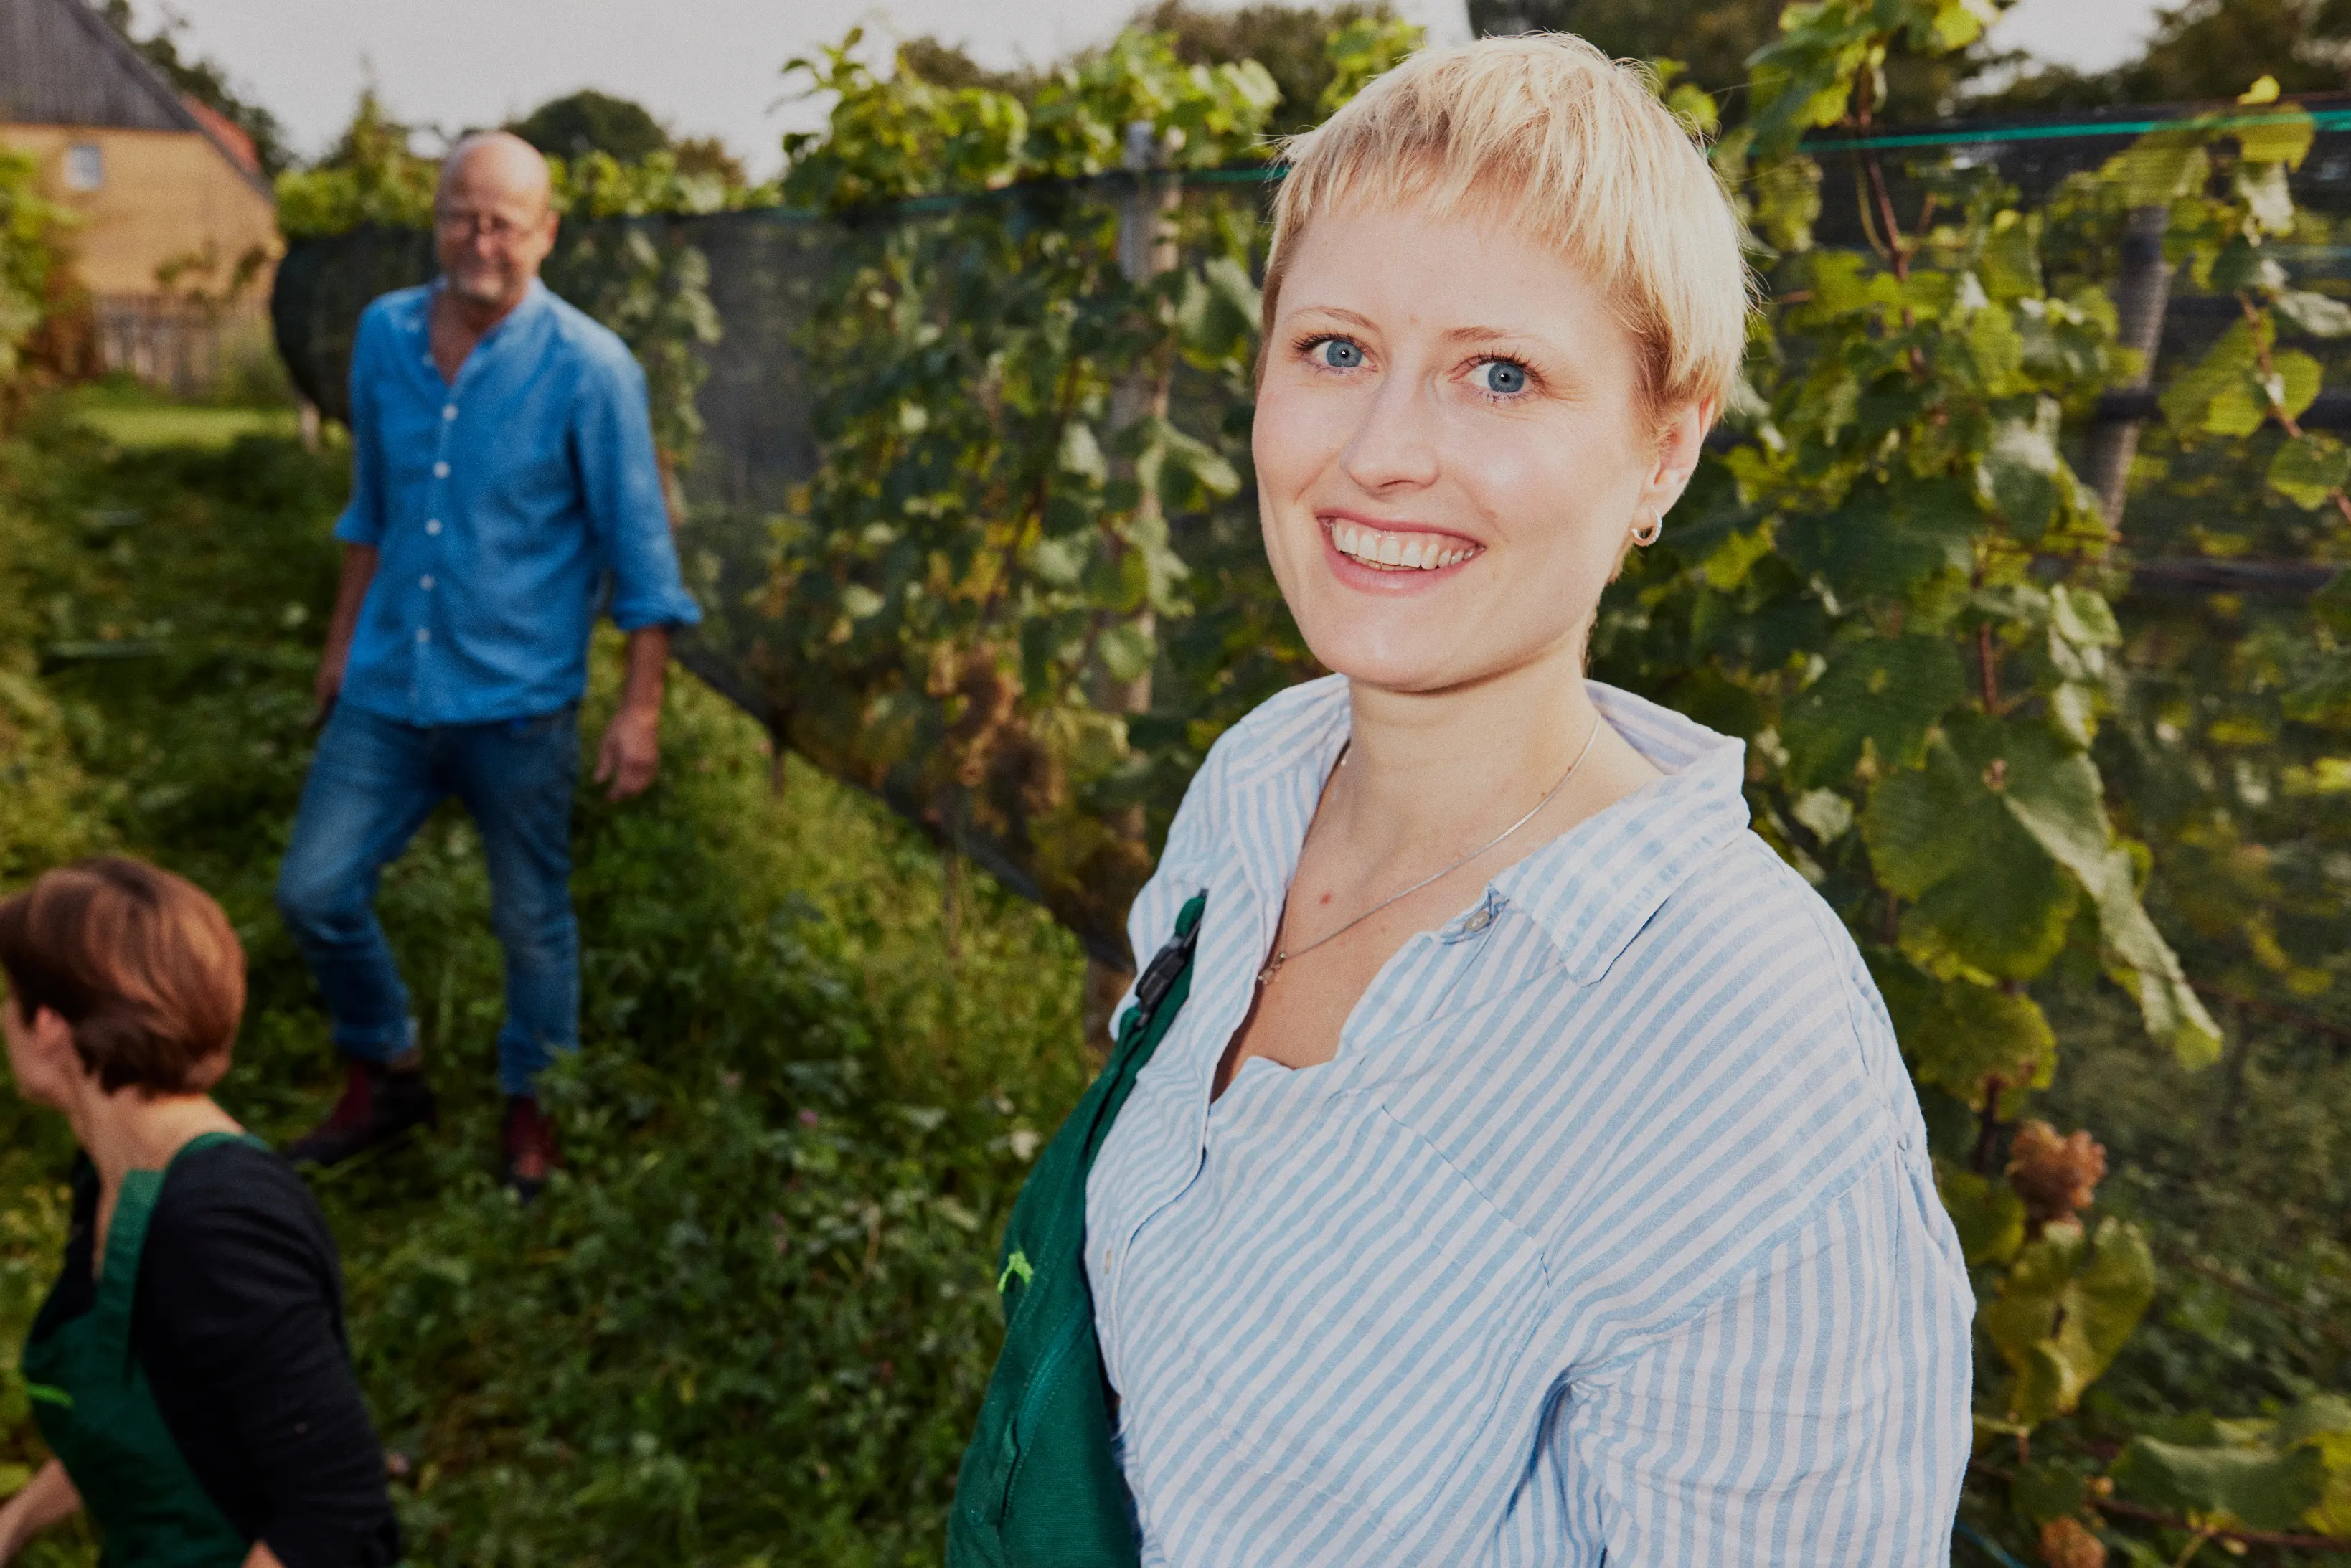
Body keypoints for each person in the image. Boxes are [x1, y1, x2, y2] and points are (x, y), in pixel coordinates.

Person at [1081, 35, 1974, 1564]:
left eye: (1500, 374)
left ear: (1662, 453)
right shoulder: (1259, 780)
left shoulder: (1747, 1053)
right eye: (1335, 350)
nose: (1380, 453)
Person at [274, 131, 701, 1194]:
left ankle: (534, 1105)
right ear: (437, 219)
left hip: (519, 707)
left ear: (545, 232)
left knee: (532, 923)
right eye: (463, 214)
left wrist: (638, 709)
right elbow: (371, 510)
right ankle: (387, 1067)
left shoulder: (591, 368)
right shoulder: (383, 336)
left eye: (504, 220)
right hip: (387, 687)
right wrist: (338, 649)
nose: (482, 238)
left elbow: (642, 557)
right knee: (314, 891)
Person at [0, 858, 402, 1568]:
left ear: (51, 1026)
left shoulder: (217, 1223)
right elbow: (164, 1413)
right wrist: (15, 1522)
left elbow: (335, 1506)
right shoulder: (113, 1174)